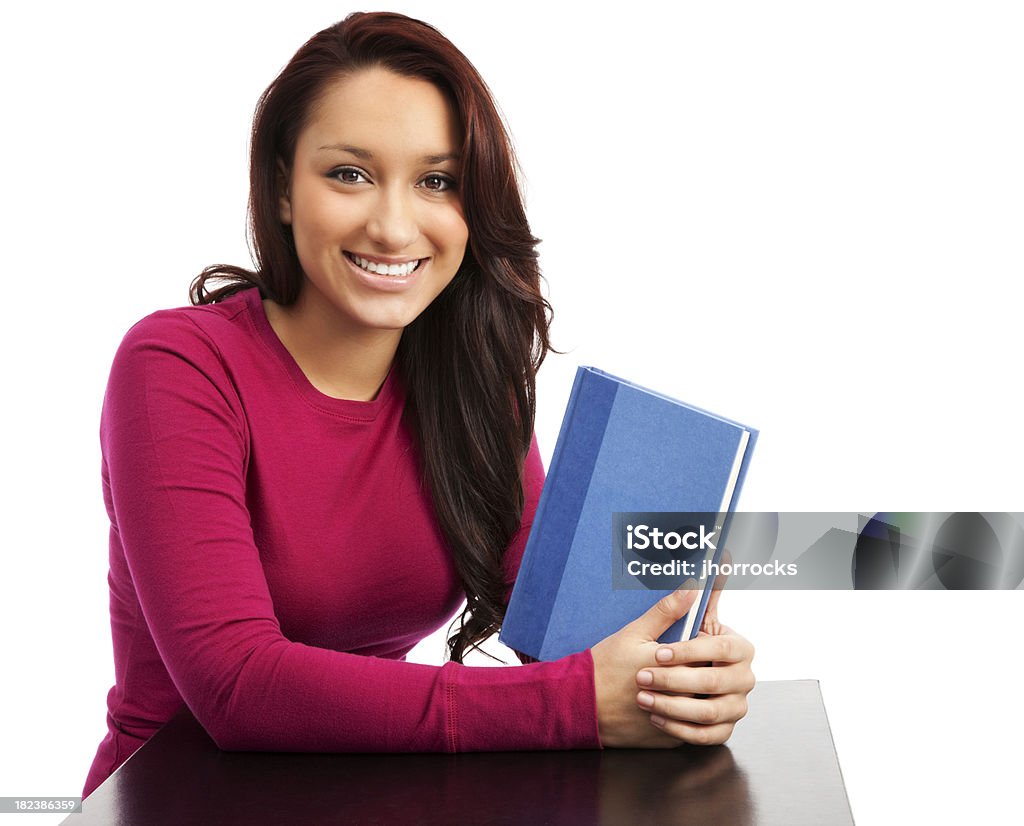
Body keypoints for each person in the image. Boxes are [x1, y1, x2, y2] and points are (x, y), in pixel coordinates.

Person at [83, 11, 755, 798]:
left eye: (436, 181)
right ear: (280, 187)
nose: (395, 225)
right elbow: (237, 685)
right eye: (349, 174)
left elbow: (553, 617)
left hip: (378, 794)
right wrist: (572, 702)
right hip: (179, 802)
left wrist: (678, 671)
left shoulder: (468, 374)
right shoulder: (178, 366)